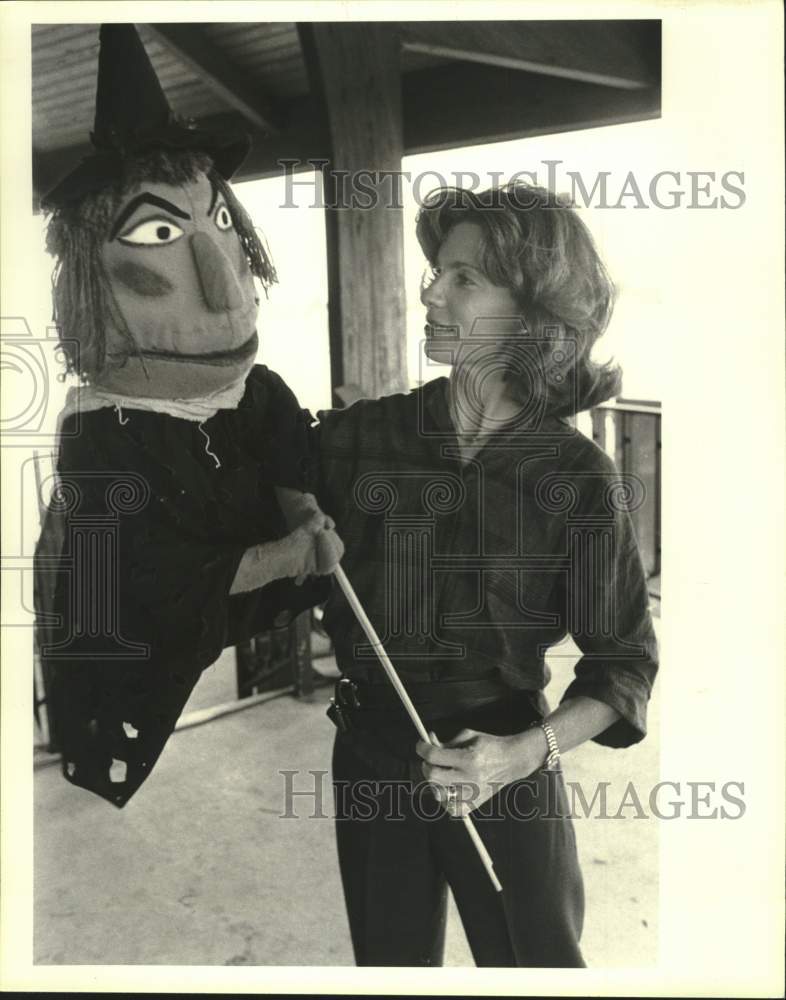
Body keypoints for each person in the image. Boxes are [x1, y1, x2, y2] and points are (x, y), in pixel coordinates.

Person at [315, 182, 658, 967]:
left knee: (536, 964)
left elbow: (624, 667)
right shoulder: (360, 438)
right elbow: (253, 490)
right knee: (389, 967)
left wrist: (518, 755)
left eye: (465, 277)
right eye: (437, 268)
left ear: (532, 316)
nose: (430, 289)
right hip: (371, 752)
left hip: (506, 756)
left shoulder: (576, 474)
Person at [34, 24, 342, 808]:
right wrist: (286, 558)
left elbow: (286, 456)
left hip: (234, 574)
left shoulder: (253, 394)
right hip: (129, 628)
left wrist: (306, 513)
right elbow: (144, 579)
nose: (220, 281)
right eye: (160, 232)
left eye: (218, 223)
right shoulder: (103, 440)